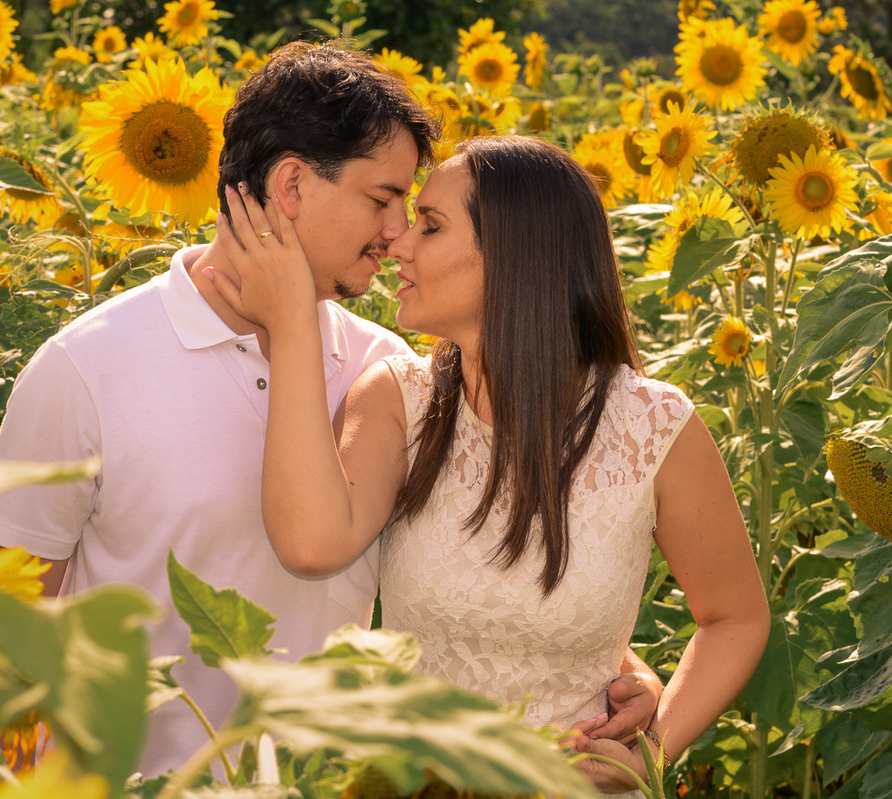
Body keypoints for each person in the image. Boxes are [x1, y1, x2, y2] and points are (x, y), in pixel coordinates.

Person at [0, 45, 660, 778]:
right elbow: (4, 627)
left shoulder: (387, 371)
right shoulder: (87, 368)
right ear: (294, 184)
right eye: (382, 198)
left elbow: (479, 566)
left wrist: (621, 670)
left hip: (320, 783)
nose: (399, 231)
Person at [209, 135, 770, 793]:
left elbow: (736, 617)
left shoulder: (653, 426)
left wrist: (653, 748)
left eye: (431, 225)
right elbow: (311, 543)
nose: (399, 244)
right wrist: (294, 318)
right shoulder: (398, 399)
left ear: (514, 255)